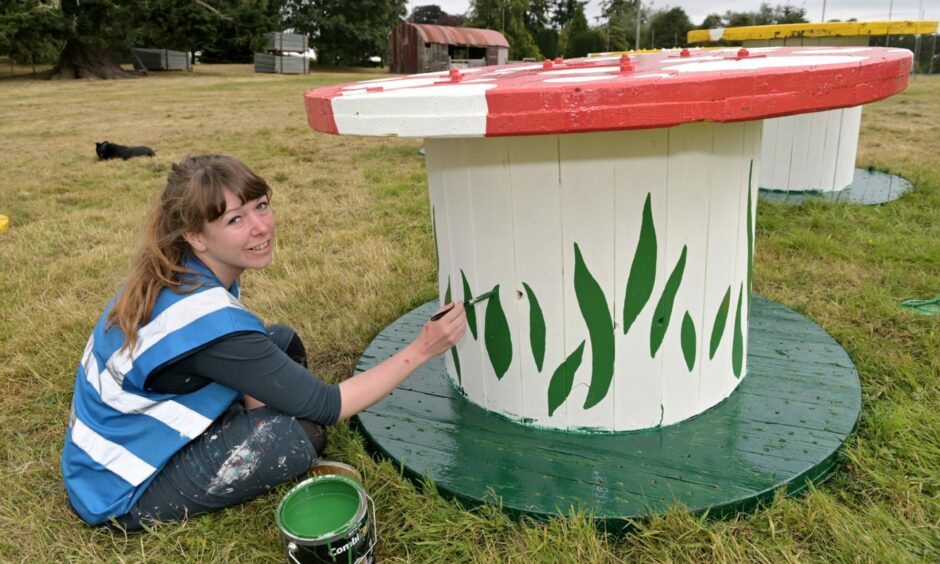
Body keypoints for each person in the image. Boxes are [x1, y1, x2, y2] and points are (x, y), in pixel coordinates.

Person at [61, 155, 466, 530]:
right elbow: (329, 406)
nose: (260, 227)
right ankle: (244, 436)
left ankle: (244, 425)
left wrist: (262, 414)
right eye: (235, 220)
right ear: (196, 236)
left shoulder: (179, 266)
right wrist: (423, 348)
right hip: (120, 486)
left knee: (281, 342)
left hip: (126, 431)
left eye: (261, 206)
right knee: (302, 432)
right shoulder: (210, 322)